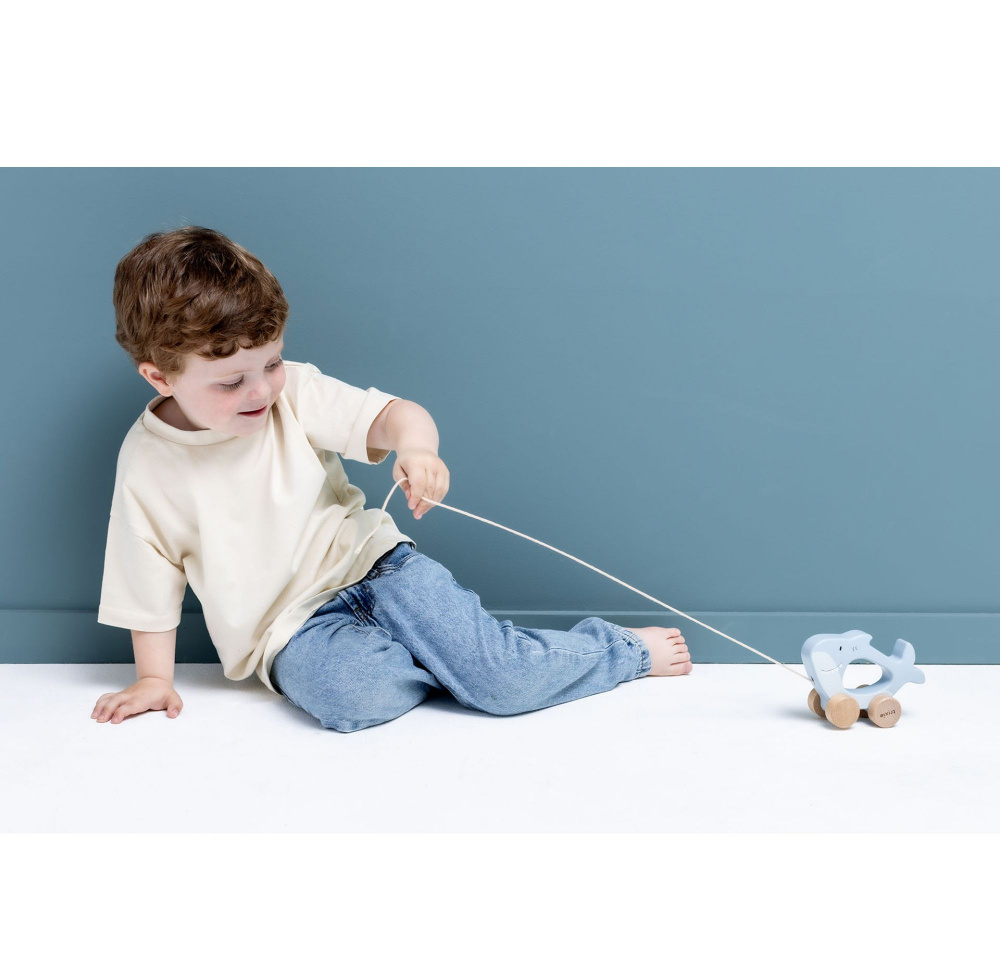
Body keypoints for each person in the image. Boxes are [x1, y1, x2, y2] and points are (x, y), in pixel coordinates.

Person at [93, 225, 691, 731]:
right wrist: (154, 679)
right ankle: (464, 659)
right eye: (231, 382)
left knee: (502, 686)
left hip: (379, 571)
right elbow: (147, 583)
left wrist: (418, 449)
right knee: (353, 700)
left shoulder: (294, 394)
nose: (260, 390)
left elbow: (395, 415)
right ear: (160, 377)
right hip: (290, 633)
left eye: (271, 363)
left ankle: (618, 651)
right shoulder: (147, 466)